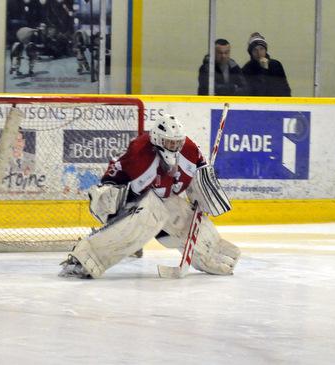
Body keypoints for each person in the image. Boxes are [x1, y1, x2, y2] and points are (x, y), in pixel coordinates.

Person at [59, 114, 240, 279]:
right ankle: (85, 258)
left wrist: (204, 186)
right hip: (124, 194)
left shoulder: (189, 149)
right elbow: (137, 190)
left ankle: (214, 254)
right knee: (148, 216)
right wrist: (116, 215)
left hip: (160, 197)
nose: (175, 147)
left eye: (177, 143)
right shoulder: (140, 153)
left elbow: (198, 172)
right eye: (169, 143)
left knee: (180, 218)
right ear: (157, 139)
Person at [242, 32, 291, 97]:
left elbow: (284, 89)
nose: (259, 53)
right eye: (255, 50)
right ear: (251, 53)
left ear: (265, 50)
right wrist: (263, 69)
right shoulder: (247, 69)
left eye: (261, 49)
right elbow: (253, 91)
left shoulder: (275, 65)